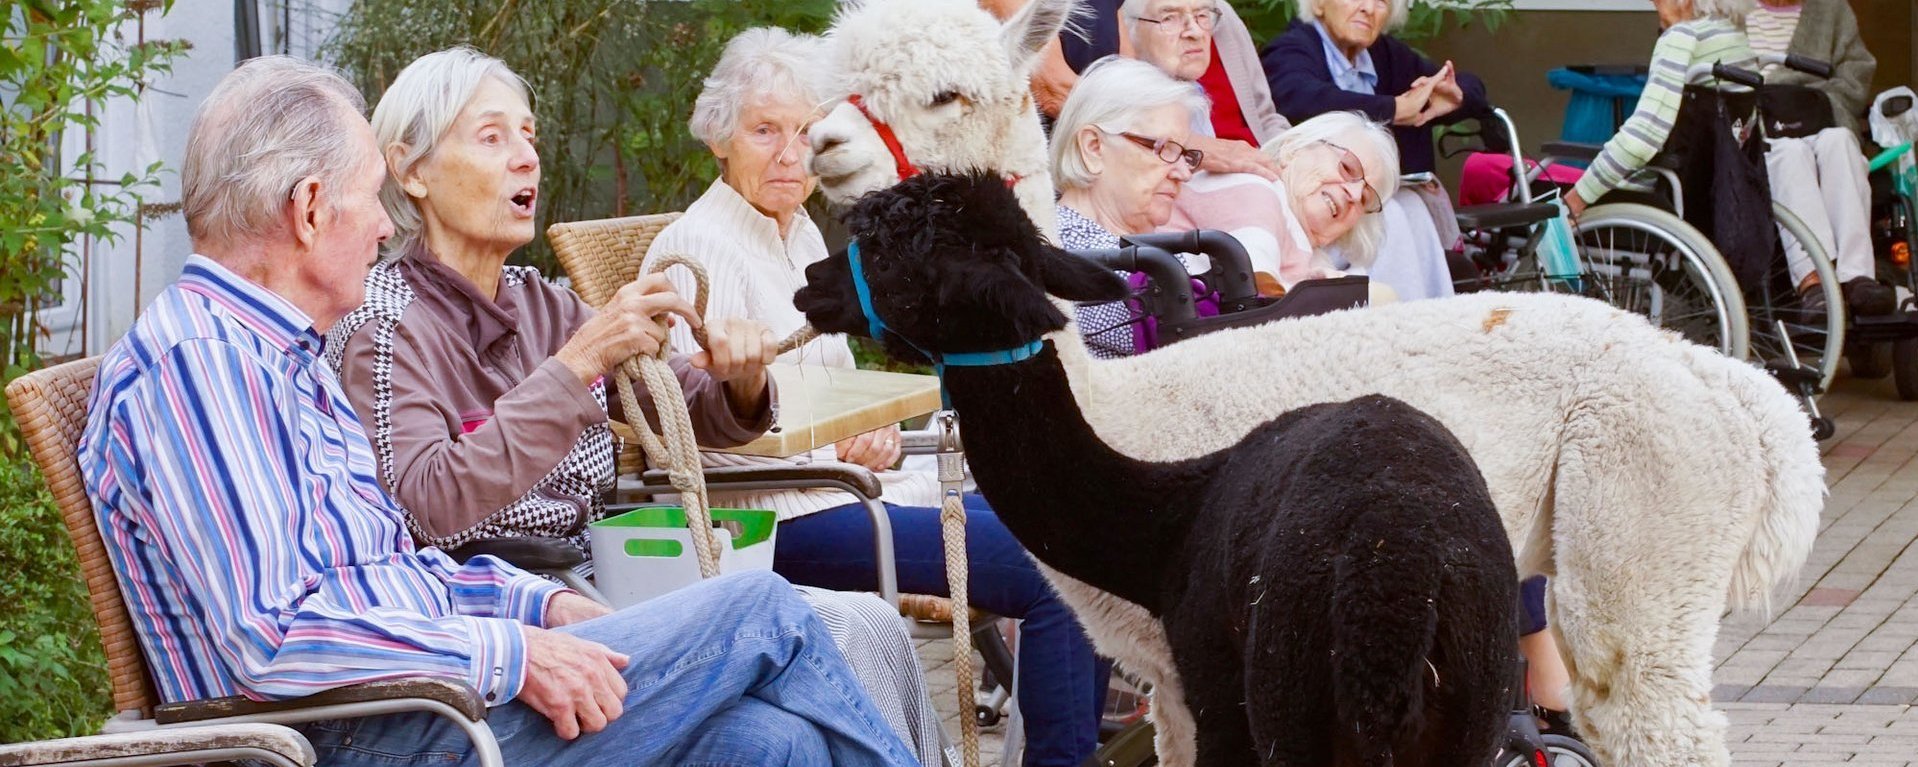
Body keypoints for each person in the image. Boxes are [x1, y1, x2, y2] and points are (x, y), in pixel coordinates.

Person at [77, 55, 917, 767]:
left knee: (765, 741)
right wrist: (513, 652)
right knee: (758, 606)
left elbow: (385, 566)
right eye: (371, 197)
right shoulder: (210, 363)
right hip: (365, 729)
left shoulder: (281, 353)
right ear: (307, 209)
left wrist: (538, 609)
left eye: (529, 136)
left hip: (422, 692)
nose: (380, 227)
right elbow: (274, 637)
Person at [324, 47, 952, 765]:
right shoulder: (386, 322)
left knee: (805, 707)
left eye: (528, 135)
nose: (527, 157)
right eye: (492, 136)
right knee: (781, 612)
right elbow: (420, 504)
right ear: (410, 170)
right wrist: (577, 364)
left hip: (599, 587)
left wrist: (741, 381)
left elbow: (686, 407)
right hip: (493, 633)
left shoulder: (542, 301)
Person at [641, 28, 1110, 766]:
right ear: (718, 137)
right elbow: (695, 426)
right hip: (777, 516)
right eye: (766, 131)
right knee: (1055, 572)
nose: (791, 153)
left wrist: (880, 435)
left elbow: (829, 389)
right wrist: (837, 447)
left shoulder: (797, 236)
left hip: (856, 484)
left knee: (1082, 521)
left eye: (804, 131)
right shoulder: (694, 247)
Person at [1053, 58, 1398, 357]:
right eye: (1163, 149)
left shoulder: (1168, 251)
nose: (1184, 171)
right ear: (1094, 147)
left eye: (1185, 153)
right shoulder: (1060, 255)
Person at [1260, 0, 1483, 300]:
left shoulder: (1386, 56)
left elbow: (1471, 85)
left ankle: (1434, 323)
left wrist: (1453, 94)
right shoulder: (1292, 50)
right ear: (1318, 4)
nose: (1368, 8)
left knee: (1413, 208)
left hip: (1367, 207)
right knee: (1388, 212)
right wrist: (1394, 108)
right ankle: (1400, 327)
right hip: (1316, 213)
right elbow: (1301, 98)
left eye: (1382, 1)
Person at [1005, 0, 1284, 178]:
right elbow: (1052, 90)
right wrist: (1193, 147)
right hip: (1039, 171)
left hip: (1106, 167)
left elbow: (1133, 89)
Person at [1749, 0, 1896, 316]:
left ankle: (1857, 276)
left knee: (1841, 142)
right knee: (1788, 153)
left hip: (1821, 118)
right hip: (1763, 130)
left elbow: (1855, 74)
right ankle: (1813, 281)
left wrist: (1814, 102)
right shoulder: (1729, 10)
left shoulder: (1831, 9)